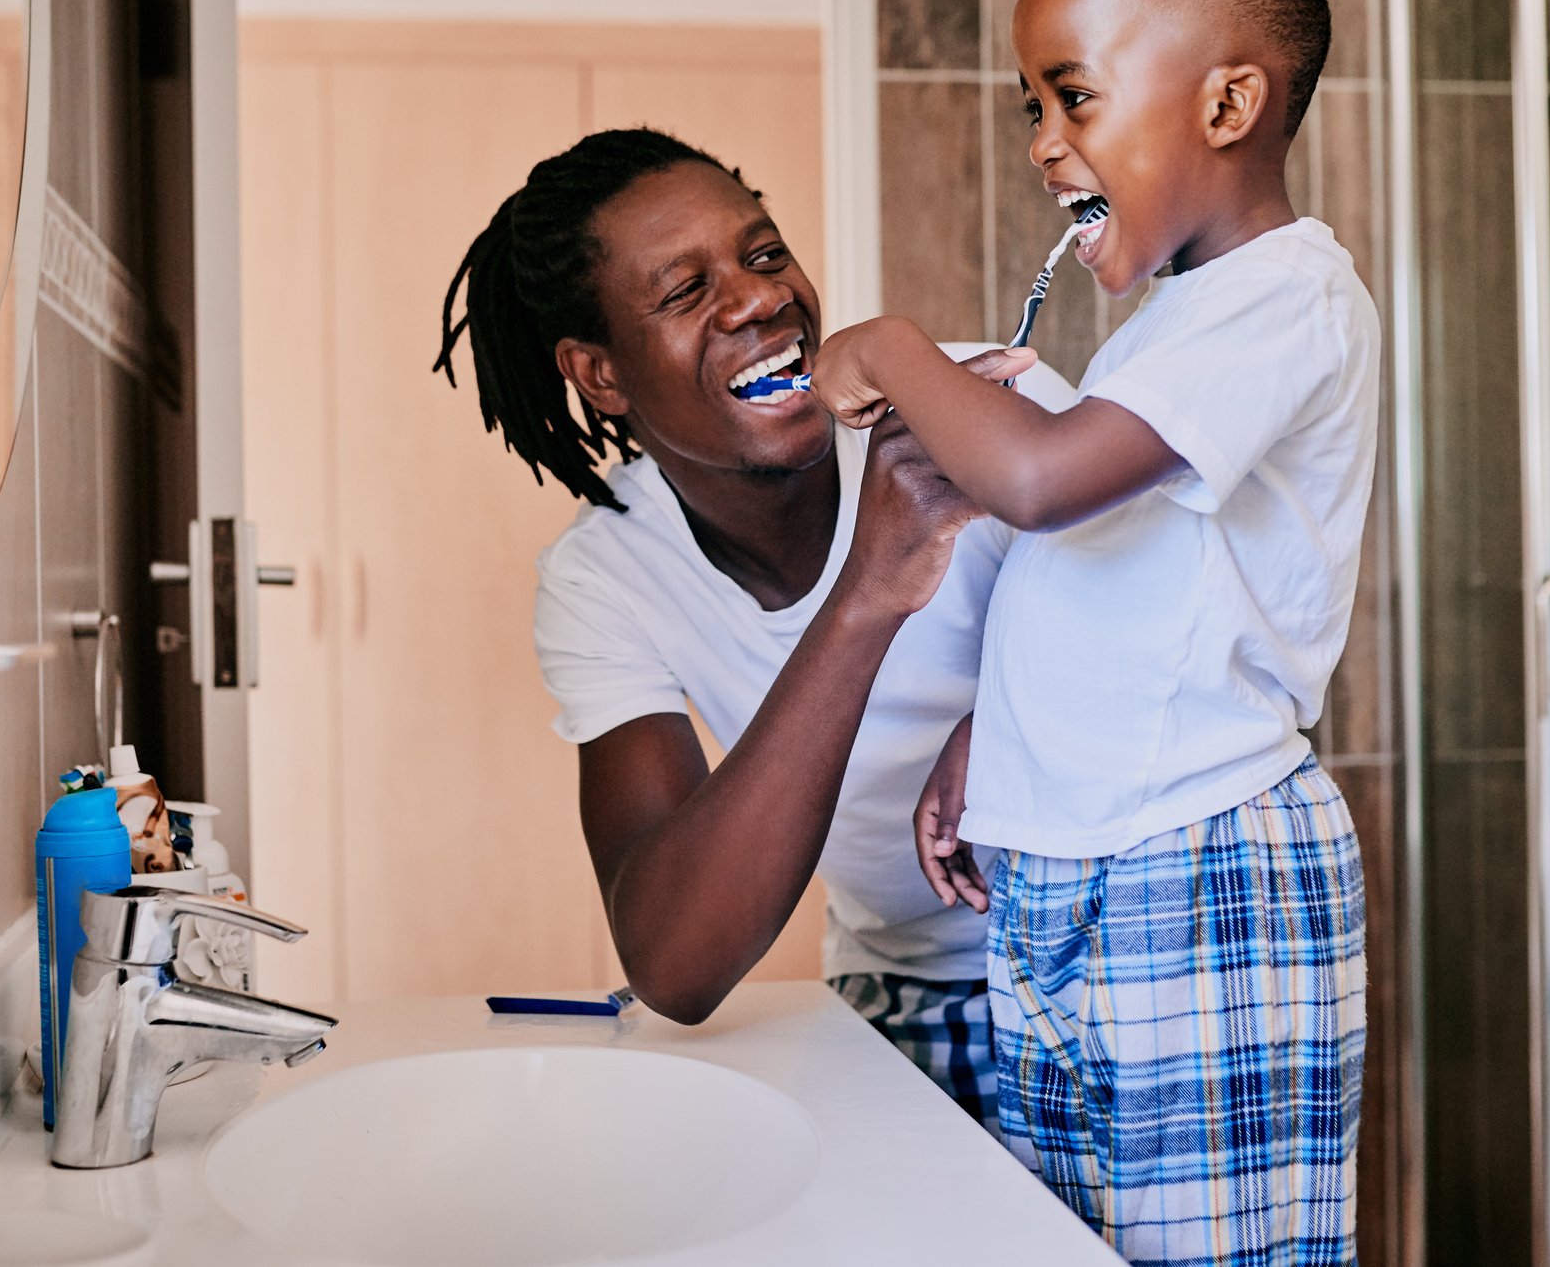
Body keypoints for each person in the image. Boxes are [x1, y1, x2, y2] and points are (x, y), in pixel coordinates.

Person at [808, 0, 1377, 1264]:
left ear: (1229, 104)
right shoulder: (1174, 324)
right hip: (1079, 872)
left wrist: (891, 351)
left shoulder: (1286, 295)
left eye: (1073, 99)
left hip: (1194, 873)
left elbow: (1042, 488)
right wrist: (988, 744)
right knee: (1073, 1243)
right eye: (1031, 109)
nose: (1043, 145)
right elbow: (1120, 581)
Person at [435, 127, 1072, 1131]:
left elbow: (1186, 617)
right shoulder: (607, 575)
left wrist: (1006, 720)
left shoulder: (962, 399)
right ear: (600, 376)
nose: (759, 298)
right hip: (904, 989)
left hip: (1115, 951)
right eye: (686, 291)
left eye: (764, 254)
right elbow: (675, 962)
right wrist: (869, 589)